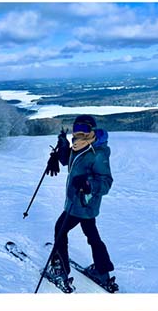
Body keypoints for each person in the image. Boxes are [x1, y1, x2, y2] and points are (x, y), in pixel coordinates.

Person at [47, 114, 115, 284]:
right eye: (76, 129)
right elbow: (68, 161)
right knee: (92, 236)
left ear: (92, 130)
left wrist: (88, 184)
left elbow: (106, 182)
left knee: (60, 230)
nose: (79, 133)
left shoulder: (97, 152)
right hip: (81, 204)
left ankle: (61, 270)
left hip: (82, 204)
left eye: (84, 129)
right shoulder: (79, 147)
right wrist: (61, 148)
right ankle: (102, 271)